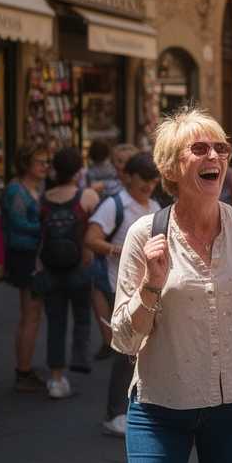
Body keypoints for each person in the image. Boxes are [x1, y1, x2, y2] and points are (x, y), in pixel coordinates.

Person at [112, 106, 232, 463]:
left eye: (221, 149)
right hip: (160, 406)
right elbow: (124, 340)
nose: (214, 157)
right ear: (170, 169)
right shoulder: (145, 233)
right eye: (200, 149)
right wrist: (151, 286)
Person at [84, 153, 161, 436]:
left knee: (144, 350)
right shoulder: (113, 205)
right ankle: (114, 412)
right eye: (144, 179)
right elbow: (91, 239)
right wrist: (121, 250)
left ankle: (139, 407)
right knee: (125, 351)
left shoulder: (154, 206)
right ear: (129, 177)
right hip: (118, 285)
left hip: (149, 289)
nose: (149, 186)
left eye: (154, 180)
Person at [36, 147, 100, 399]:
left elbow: (39, 237)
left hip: (50, 268)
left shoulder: (43, 198)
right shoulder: (88, 197)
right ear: (78, 171)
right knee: (83, 316)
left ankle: (55, 378)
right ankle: (80, 358)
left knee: (55, 322)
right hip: (80, 267)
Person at [1, 142, 51, 391]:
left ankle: (24, 368)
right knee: (31, 317)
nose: (45, 166)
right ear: (26, 164)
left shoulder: (34, 187)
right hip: (26, 256)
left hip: (29, 253)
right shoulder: (16, 191)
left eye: (46, 162)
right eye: (39, 162)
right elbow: (19, 223)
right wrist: (48, 228)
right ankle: (23, 371)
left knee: (30, 317)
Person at [91, 143, 142, 360]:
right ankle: (111, 341)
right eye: (115, 161)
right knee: (102, 291)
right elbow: (92, 237)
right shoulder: (113, 195)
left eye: (121, 162)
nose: (116, 166)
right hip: (112, 259)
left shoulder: (148, 199)